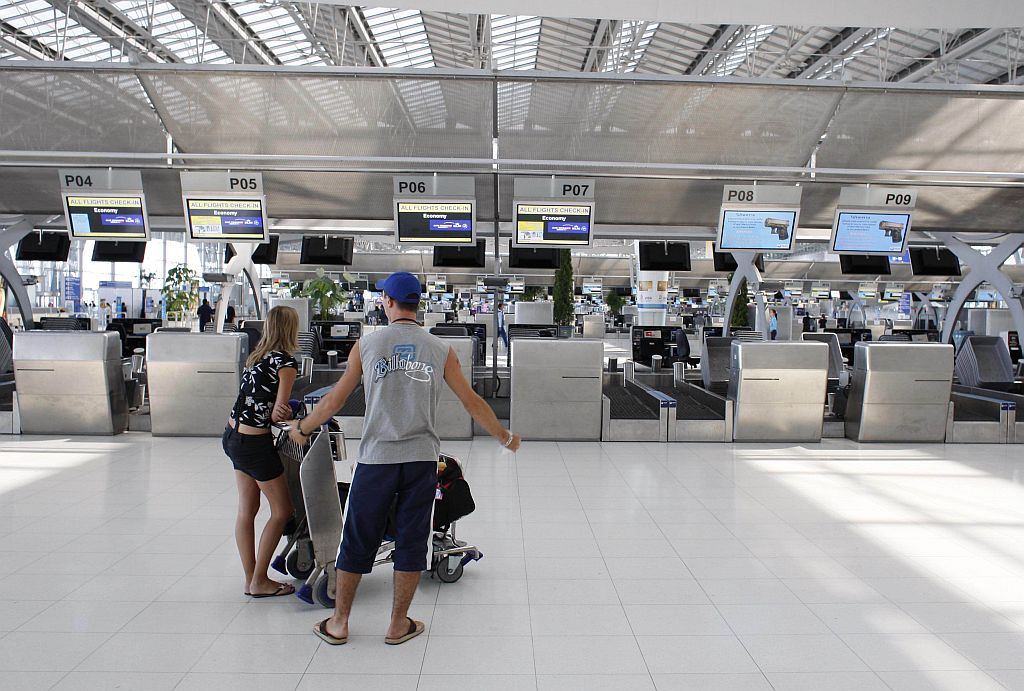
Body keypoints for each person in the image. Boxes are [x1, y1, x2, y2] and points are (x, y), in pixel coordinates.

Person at [290, 271, 520, 647]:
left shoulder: (366, 345)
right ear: (419, 305)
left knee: (358, 538)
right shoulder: (440, 350)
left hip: (376, 458)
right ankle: (398, 625)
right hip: (420, 461)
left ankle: (339, 623)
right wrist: (505, 437)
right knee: (413, 540)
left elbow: (335, 399)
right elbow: (472, 402)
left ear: (387, 302)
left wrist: (303, 425)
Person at [223, 305, 300, 598]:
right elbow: (278, 415)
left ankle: (251, 578)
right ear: (291, 329)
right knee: (283, 511)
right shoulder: (286, 364)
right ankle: (259, 581)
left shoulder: (255, 358)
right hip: (255, 445)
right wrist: (293, 412)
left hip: (232, 436)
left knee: (248, 509)